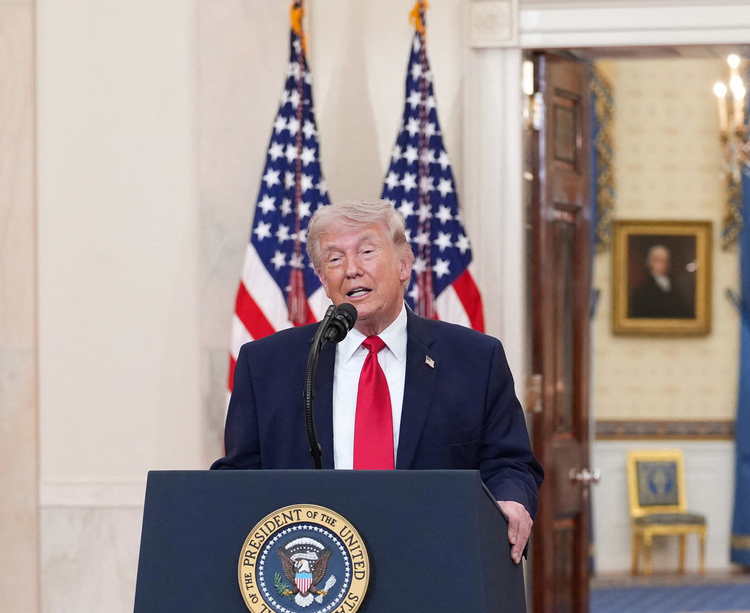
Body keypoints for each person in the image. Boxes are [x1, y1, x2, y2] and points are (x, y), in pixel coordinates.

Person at [215, 200, 542, 563]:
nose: (352, 269)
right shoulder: (266, 365)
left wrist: (510, 500)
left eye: (367, 252)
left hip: (437, 564)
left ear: (404, 264)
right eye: (334, 259)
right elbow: (240, 479)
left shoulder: (475, 359)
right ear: (323, 279)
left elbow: (509, 463)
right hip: (315, 577)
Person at [626, 242, 695, 320]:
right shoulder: (642, 289)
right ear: (651, 262)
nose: (664, 264)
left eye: (666, 260)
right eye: (660, 260)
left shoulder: (675, 284)